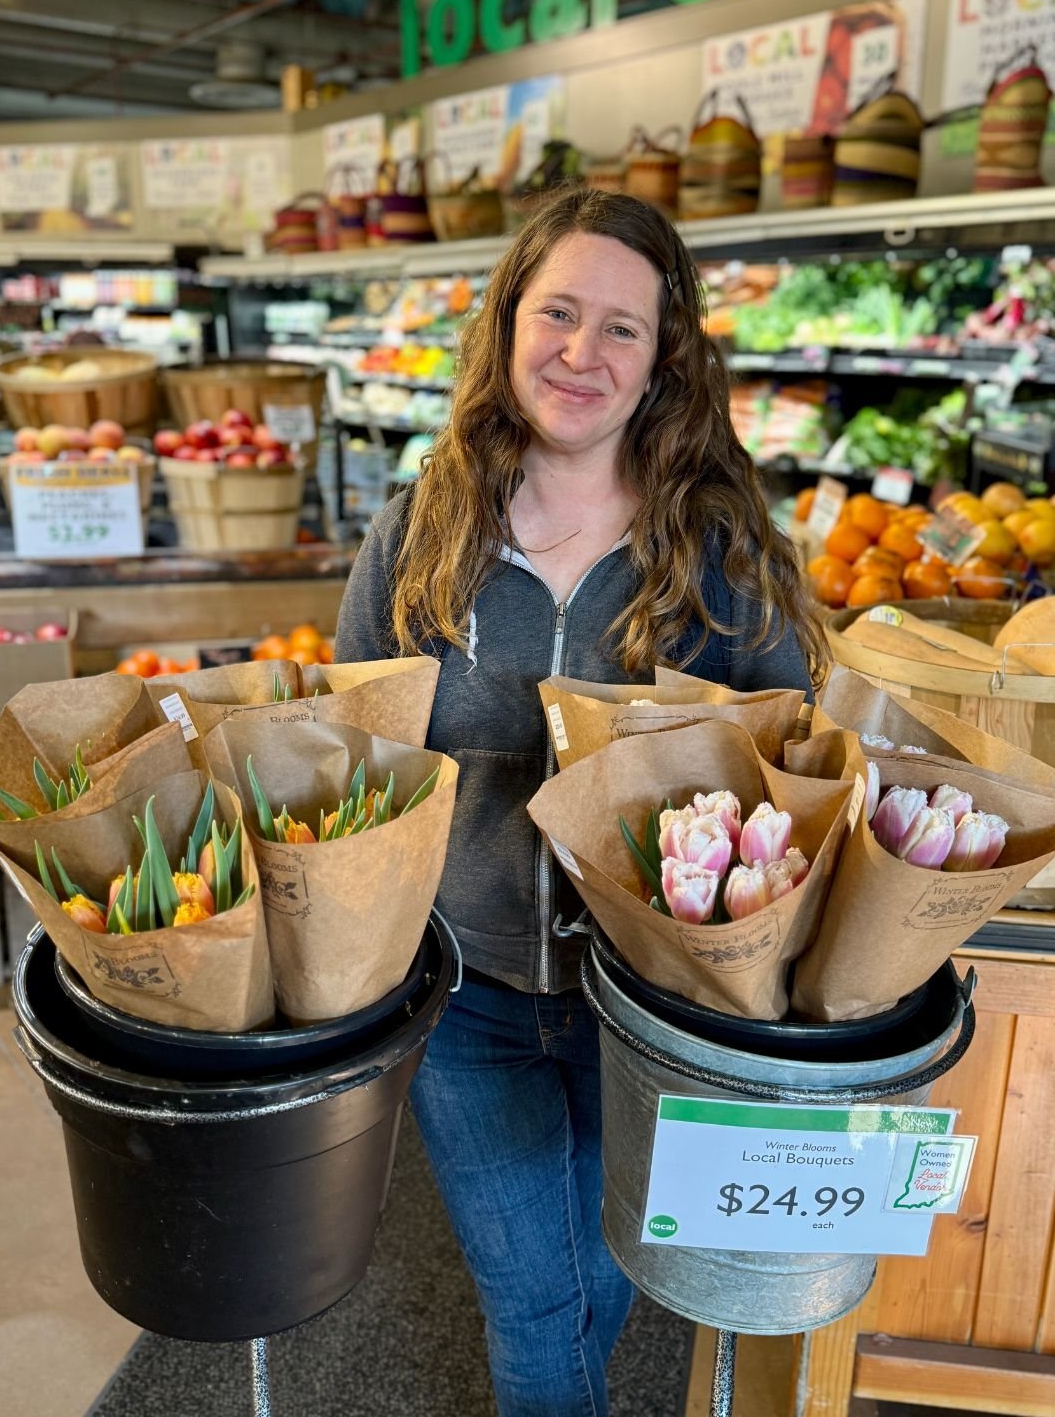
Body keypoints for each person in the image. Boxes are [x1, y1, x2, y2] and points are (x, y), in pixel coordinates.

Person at [336, 188, 826, 1417]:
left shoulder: (721, 552)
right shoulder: (417, 536)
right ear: (507, 324)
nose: (581, 352)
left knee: (603, 1264)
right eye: (557, 313)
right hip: (470, 997)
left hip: (656, 1007)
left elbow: (796, 778)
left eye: (622, 328)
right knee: (534, 1294)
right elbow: (354, 760)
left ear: (664, 360)